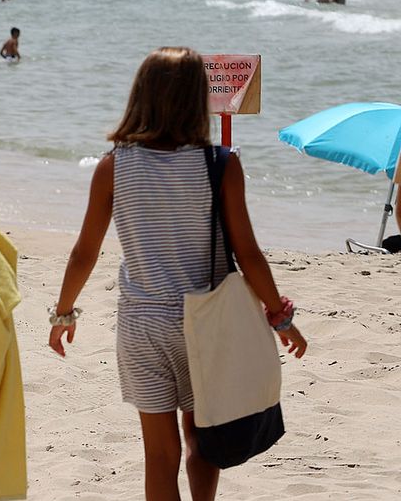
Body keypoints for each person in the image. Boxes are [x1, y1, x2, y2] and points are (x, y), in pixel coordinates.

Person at [48, 47, 307, 501]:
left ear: (140, 96)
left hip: (140, 326)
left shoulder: (114, 166)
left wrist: (64, 313)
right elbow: (248, 252)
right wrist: (279, 317)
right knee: (201, 440)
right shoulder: (220, 164)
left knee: (158, 455)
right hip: (201, 324)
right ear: (196, 98)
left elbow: (83, 254)